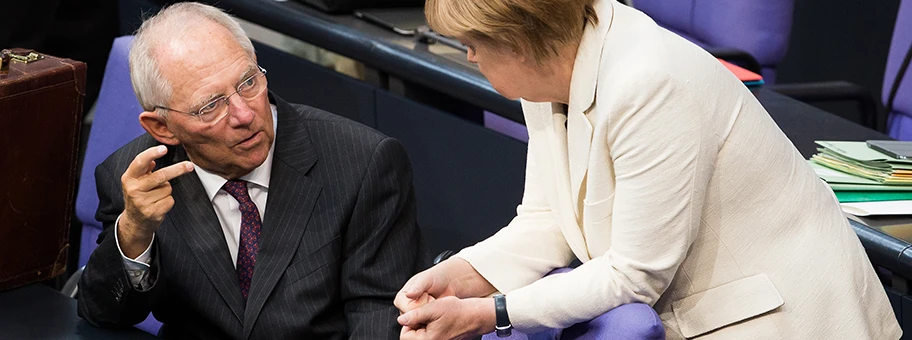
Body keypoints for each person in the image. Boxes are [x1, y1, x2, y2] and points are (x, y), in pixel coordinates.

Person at [394, 0, 902, 339]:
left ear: (520, 41)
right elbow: (546, 219)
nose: (468, 54)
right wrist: (462, 276)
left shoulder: (648, 83)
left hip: (784, 322)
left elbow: (634, 275)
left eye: (475, 42)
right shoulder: (549, 70)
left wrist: (492, 313)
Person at [77, 3, 426, 338]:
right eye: (210, 106)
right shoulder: (137, 181)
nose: (244, 115)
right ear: (162, 127)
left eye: (248, 82)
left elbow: (379, 320)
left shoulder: (361, 164)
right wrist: (134, 233)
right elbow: (103, 314)